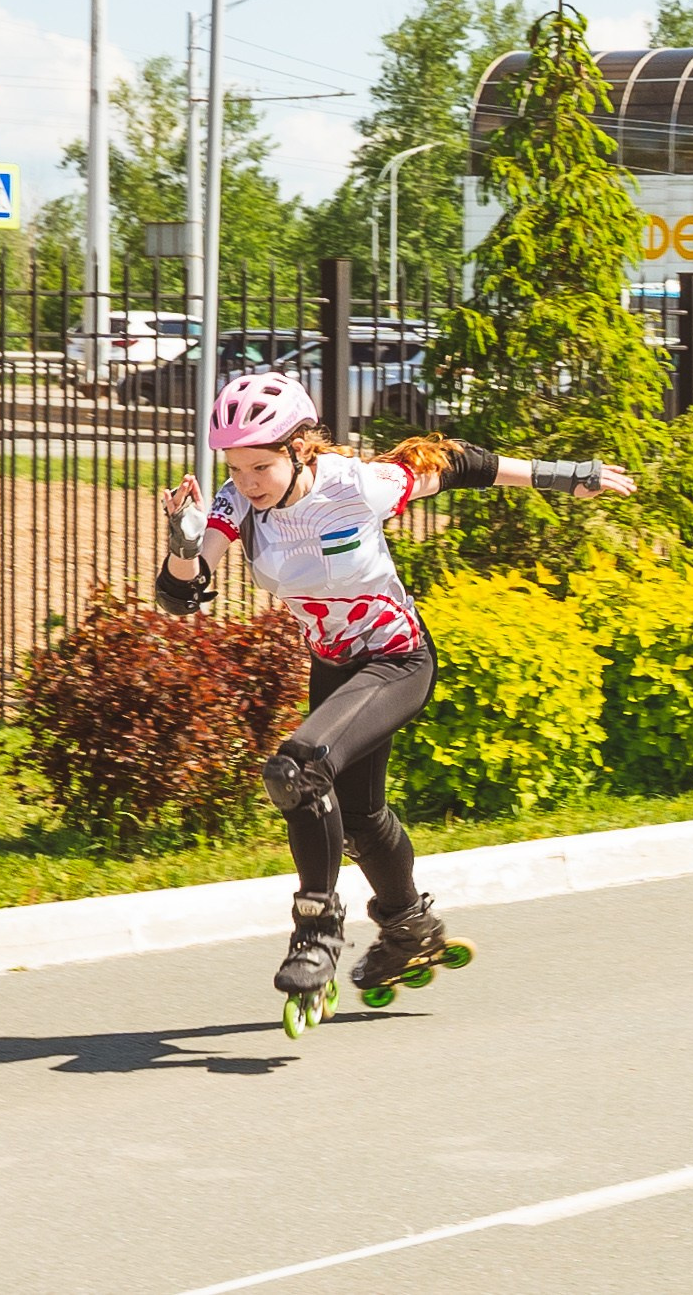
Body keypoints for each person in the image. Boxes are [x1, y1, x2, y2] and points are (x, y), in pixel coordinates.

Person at [156, 371, 636, 1011]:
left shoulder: (356, 487)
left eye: (260, 466)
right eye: (236, 467)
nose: (246, 482)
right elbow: (180, 597)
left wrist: (565, 474)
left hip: (397, 658)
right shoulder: (234, 503)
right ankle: (411, 927)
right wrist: (184, 547)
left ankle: (316, 929)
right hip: (334, 666)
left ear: (301, 448)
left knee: (296, 770)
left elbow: (461, 463)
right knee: (358, 817)